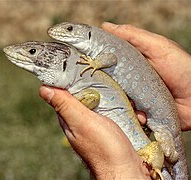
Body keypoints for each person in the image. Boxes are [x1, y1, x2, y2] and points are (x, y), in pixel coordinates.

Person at [39, 22, 191, 179]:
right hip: (159, 112)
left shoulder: (103, 51)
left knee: (171, 156)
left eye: (70, 29)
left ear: (89, 34)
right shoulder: (104, 45)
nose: (63, 32)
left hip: (165, 124)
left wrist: (95, 64)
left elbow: (110, 58)